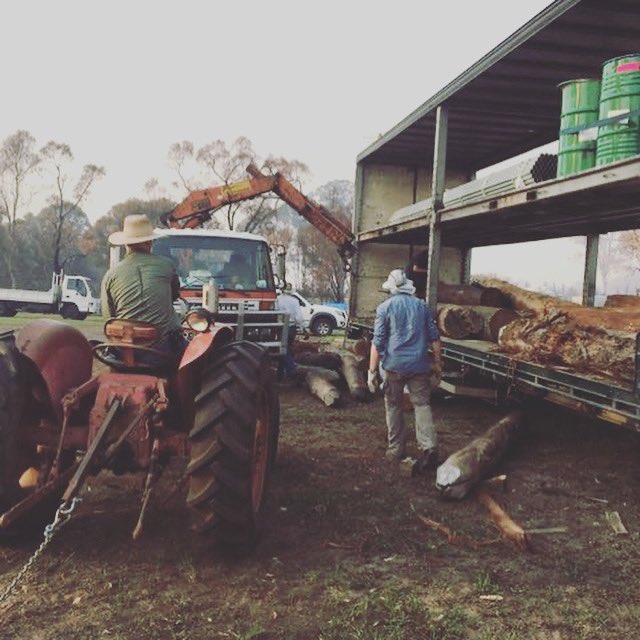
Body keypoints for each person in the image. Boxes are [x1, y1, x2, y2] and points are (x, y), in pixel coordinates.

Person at [368, 268, 442, 474]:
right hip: (419, 366)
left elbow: (377, 343)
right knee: (422, 405)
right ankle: (429, 448)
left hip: (394, 367)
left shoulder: (385, 308)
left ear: (392, 288)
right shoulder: (422, 306)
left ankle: (396, 450)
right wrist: (437, 364)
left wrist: (371, 371)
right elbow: (435, 339)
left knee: (393, 406)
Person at [101, 214, 187, 366]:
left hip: (121, 352)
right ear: (150, 241)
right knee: (194, 354)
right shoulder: (166, 266)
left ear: (126, 244)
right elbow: (174, 296)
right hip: (161, 352)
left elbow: (109, 317)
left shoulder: (111, 275)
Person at [275, 285, 305, 380]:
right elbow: (299, 317)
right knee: (286, 348)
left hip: (280, 327)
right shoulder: (294, 301)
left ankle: (288, 370)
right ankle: (287, 371)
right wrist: (303, 328)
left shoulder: (277, 300)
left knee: (283, 349)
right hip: (291, 328)